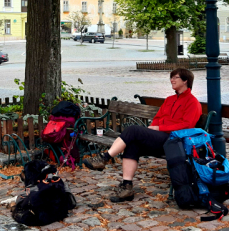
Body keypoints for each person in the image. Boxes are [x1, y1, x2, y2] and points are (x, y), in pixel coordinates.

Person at [83, 68, 202, 202]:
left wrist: (159, 128)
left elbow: (186, 126)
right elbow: (158, 117)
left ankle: (104, 157)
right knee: (133, 144)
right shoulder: (169, 100)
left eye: (176, 77)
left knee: (133, 130)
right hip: (160, 138)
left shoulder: (193, 103)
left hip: (174, 142)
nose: (172, 80)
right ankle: (127, 187)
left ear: (186, 81)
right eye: (171, 77)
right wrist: (153, 127)